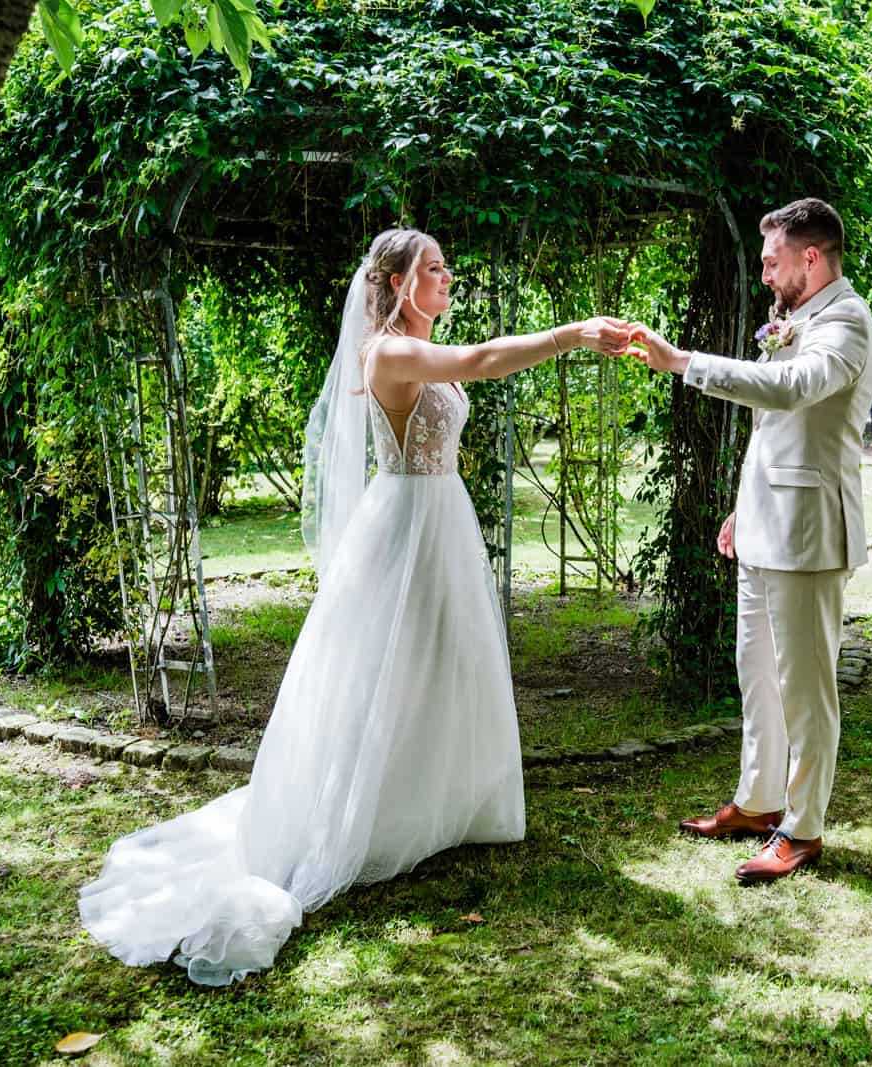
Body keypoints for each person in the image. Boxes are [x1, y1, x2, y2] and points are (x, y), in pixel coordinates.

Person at [79, 227, 632, 984]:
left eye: (446, 265)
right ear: (401, 283)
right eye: (436, 268)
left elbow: (466, 365)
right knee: (385, 670)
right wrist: (572, 334)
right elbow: (478, 361)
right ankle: (371, 816)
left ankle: (446, 804)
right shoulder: (388, 352)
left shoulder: (413, 345)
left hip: (441, 518)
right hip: (405, 524)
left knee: (443, 661)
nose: (448, 277)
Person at [626, 197, 872, 884]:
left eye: (772, 263)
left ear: (811, 257)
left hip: (810, 535)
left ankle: (801, 829)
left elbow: (793, 388)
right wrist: (743, 510)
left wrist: (685, 363)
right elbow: (771, 433)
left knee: (805, 689)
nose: (766, 276)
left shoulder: (847, 322)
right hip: (764, 528)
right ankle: (759, 799)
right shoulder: (794, 318)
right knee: (756, 677)